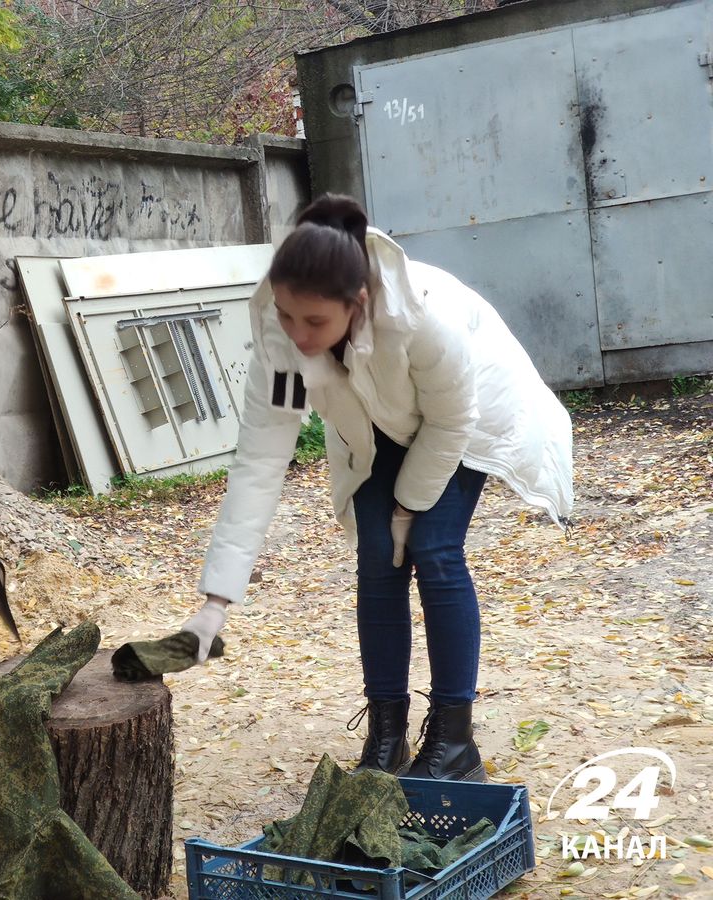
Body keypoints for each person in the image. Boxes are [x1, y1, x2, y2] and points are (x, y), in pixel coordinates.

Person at [182, 194, 572, 782]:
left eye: (315, 322)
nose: (298, 334)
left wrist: (409, 505)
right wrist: (216, 603)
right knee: (376, 557)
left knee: (433, 549)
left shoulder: (422, 319)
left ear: (358, 303)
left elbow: (450, 422)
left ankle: (453, 740)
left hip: (465, 417)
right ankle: (386, 736)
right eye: (288, 316)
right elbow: (260, 461)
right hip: (378, 422)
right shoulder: (283, 336)